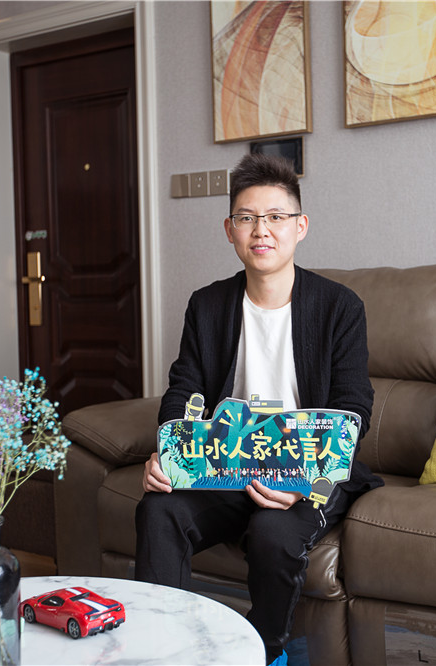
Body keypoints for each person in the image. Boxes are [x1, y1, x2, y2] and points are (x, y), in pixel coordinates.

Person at [135, 153, 382, 666]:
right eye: (247, 218)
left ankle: (264, 654)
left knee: (272, 534)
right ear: (230, 230)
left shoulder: (340, 307)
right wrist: (169, 453)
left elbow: (353, 406)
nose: (261, 230)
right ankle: (166, 652)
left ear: (300, 226)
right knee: (158, 510)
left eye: (275, 217)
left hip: (307, 471)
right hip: (226, 467)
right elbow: (183, 390)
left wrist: (304, 480)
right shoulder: (208, 305)